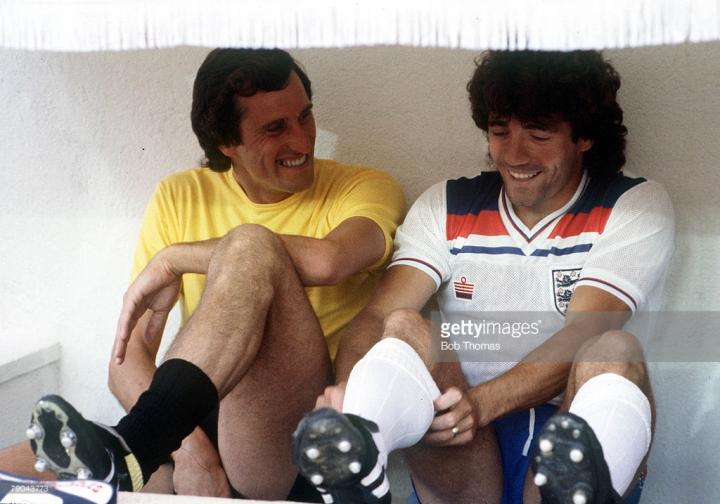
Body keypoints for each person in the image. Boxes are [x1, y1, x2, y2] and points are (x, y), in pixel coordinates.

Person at [15, 47, 405, 502]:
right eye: (275, 128)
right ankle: (129, 451)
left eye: (305, 116)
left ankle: (131, 448)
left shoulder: (365, 186)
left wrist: (175, 258)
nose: (302, 140)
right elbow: (126, 362)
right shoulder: (180, 194)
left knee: (253, 243)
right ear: (226, 143)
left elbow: (329, 261)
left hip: (293, 438)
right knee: (28, 470)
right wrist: (192, 455)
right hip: (186, 428)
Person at [291, 50, 674, 504]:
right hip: (466, 454)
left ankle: (579, 493)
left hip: (566, 420)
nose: (513, 154)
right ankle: (357, 454)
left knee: (613, 350)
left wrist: (480, 405)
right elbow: (377, 315)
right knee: (404, 325)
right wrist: (349, 393)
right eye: (499, 131)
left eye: (539, 133)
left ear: (585, 136)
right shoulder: (447, 204)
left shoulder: (632, 204)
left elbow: (583, 333)